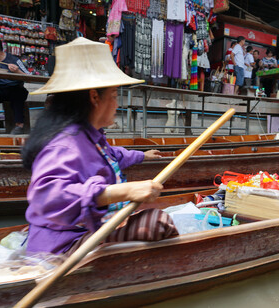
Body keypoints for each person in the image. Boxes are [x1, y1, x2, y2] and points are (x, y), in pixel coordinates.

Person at [22, 38, 178, 255]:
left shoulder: (90, 136)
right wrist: (121, 191)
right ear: (94, 97)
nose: (117, 104)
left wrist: (142, 156)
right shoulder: (65, 144)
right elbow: (45, 196)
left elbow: (114, 156)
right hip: (65, 246)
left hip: (89, 230)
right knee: (158, 222)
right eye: (114, 96)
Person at [0, 39, 31, 134]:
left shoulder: (14, 60)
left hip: (14, 88)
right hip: (0, 90)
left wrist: (17, 71)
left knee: (18, 93)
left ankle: (19, 126)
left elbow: (29, 78)